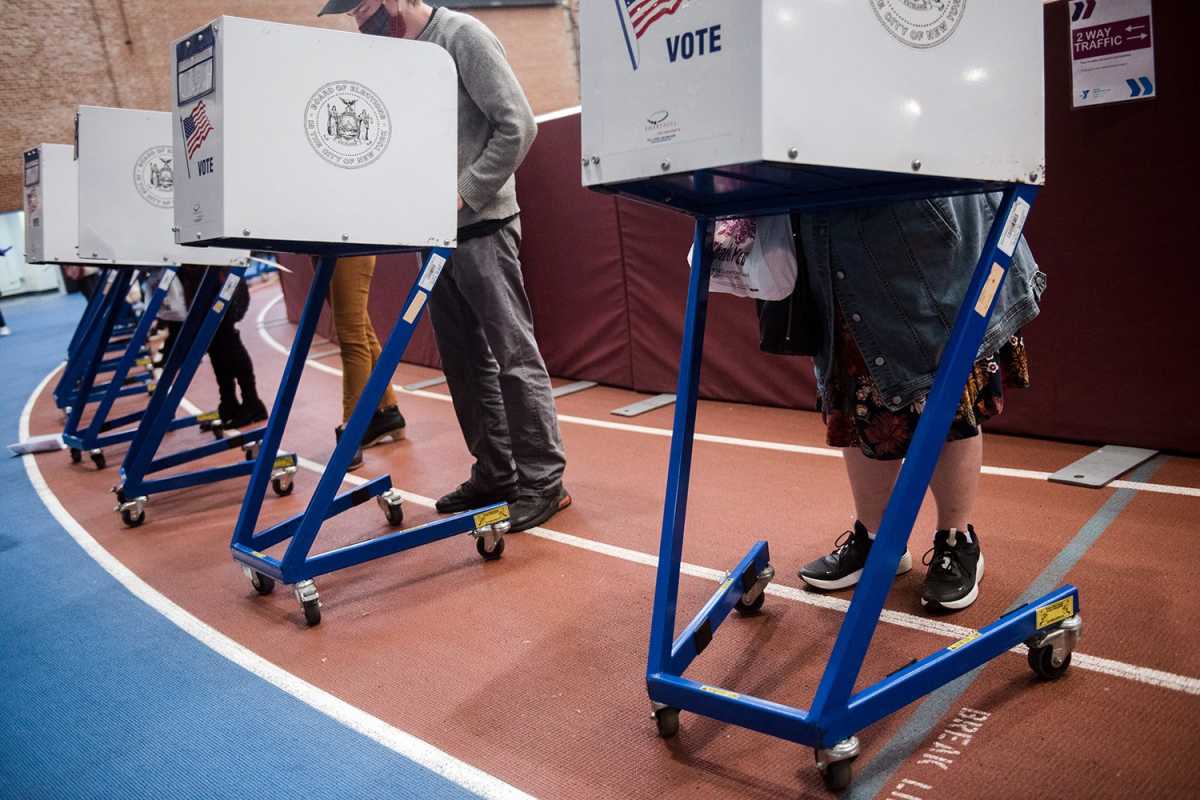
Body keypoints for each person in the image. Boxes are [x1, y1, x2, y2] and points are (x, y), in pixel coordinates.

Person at [319, 0, 570, 531]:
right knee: (462, 363)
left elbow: (518, 126)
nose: (358, 21)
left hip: (482, 227)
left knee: (512, 357)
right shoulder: (398, 55)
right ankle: (496, 473)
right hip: (430, 235)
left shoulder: (463, 35)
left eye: (362, 7)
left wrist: (463, 194)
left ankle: (544, 481)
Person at [785, 194, 1045, 612]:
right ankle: (877, 541)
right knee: (858, 400)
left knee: (947, 398)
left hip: (923, 232)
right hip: (834, 232)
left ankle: (957, 541)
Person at [328, 255, 407, 472]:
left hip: (346, 240)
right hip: (322, 240)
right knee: (361, 328)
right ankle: (388, 411)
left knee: (352, 335)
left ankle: (351, 430)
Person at [177, 267, 267, 429]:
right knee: (217, 351)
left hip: (220, 290)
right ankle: (230, 402)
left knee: (230, 347)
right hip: (206, 291)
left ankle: (252, 403)